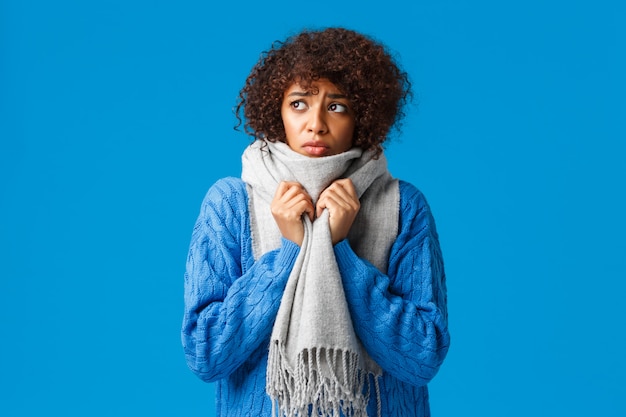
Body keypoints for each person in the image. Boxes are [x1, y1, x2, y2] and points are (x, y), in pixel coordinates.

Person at [181, 27, 450, 417]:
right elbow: (206, 353)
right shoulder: (231, 203)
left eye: (336, 106)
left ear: (364, 115)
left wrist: (339, 251)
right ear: (277, 110)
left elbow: (423, 356)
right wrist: (288, 254)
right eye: (299, 103)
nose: (316, 124)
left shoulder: (402, 205)